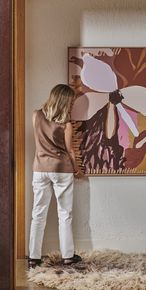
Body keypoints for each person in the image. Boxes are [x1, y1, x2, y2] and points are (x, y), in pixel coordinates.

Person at [28, 84, 83, 268]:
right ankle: (68, 256)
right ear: (65, 101)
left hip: (40, 169)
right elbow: (69, 150)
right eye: (71, 101)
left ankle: (33, 258)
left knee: (38, 214)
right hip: (61, 169)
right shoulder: (66, 123)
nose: (72, 104)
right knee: (65, 214)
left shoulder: (36, 115)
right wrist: (77, 169)